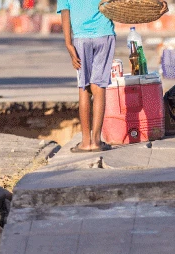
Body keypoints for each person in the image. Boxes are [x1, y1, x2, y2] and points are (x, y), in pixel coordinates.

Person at [59, 0, 115, 152]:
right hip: (104, 34)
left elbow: (65, 11)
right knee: (99, 87)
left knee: (84, 88)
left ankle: (85, 142)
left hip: (80, 38)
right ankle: (96, 141)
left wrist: (68, 44)